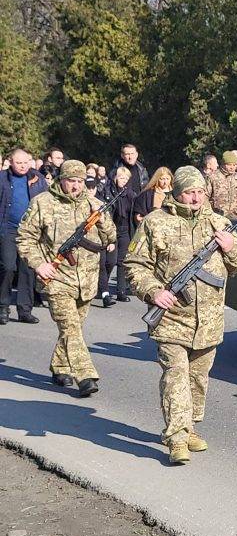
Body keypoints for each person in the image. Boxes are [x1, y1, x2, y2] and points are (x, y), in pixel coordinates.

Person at [125, 165, 237, 465]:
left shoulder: (219, 223)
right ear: (177, 193)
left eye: (199, 192)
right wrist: (153, 291)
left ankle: (189, 426)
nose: (195, 198)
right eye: (189, 192)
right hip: (171, 318)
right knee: (176, 375)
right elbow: (134, 264)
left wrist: (231, 248)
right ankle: (177, 437)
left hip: (208, 321)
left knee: (198, 378)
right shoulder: (156, 223)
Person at [17, 159, 116, 396]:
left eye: (80, 181)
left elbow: (111, 238)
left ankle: (59, 366)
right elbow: (25, 238)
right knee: (70, 327)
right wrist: (39, 264)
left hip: (87, 279)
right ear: (61, 180)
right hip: (57, 278)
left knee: (73, 329)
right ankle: (85, 375)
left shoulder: (95, 204)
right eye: (71, 181)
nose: (75, 186)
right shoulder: (42, 203)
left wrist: (102, 222)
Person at [0, 147, 48, 324]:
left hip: (30, 231)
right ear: (10, 162)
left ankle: (25, 310)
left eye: (25, 162)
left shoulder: (38, 179)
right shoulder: (2, 179)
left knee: (27, 270)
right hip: (8, 229)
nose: (22, 166)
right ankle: (3, 306)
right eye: (18, 162)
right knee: (8, 266)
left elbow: (46, 202)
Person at [98, 165, 135, 306]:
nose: (123, 180)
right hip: (110, 230)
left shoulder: (131, 195)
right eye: (121, 177)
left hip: (125, 230)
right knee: (109, 261)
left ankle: (121, 291)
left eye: (126, 178)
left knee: (122, 261)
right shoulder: (108, 192)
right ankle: (102, 287)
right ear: (115, 178)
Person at [206, 151, 237, 220]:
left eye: (234, 165)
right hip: (217, 217)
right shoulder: (212, 177)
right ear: (223, 164)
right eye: (229, 165)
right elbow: (205, 198)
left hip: (235, 217)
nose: (232, 167)